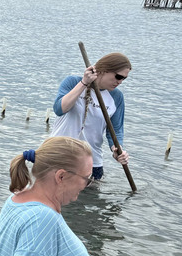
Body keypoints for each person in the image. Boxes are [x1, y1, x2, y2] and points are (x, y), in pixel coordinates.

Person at [50, 52, 131, 182]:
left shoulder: (117, 97)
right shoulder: (73, 82)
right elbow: (60, 109)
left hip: (92, 163)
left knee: (90, 202)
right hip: (59, 156)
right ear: (104, 70)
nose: (120, 82)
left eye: (124, 79)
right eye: (118, 76)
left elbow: (115, 130)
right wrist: (84, 83)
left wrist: (116, 149)